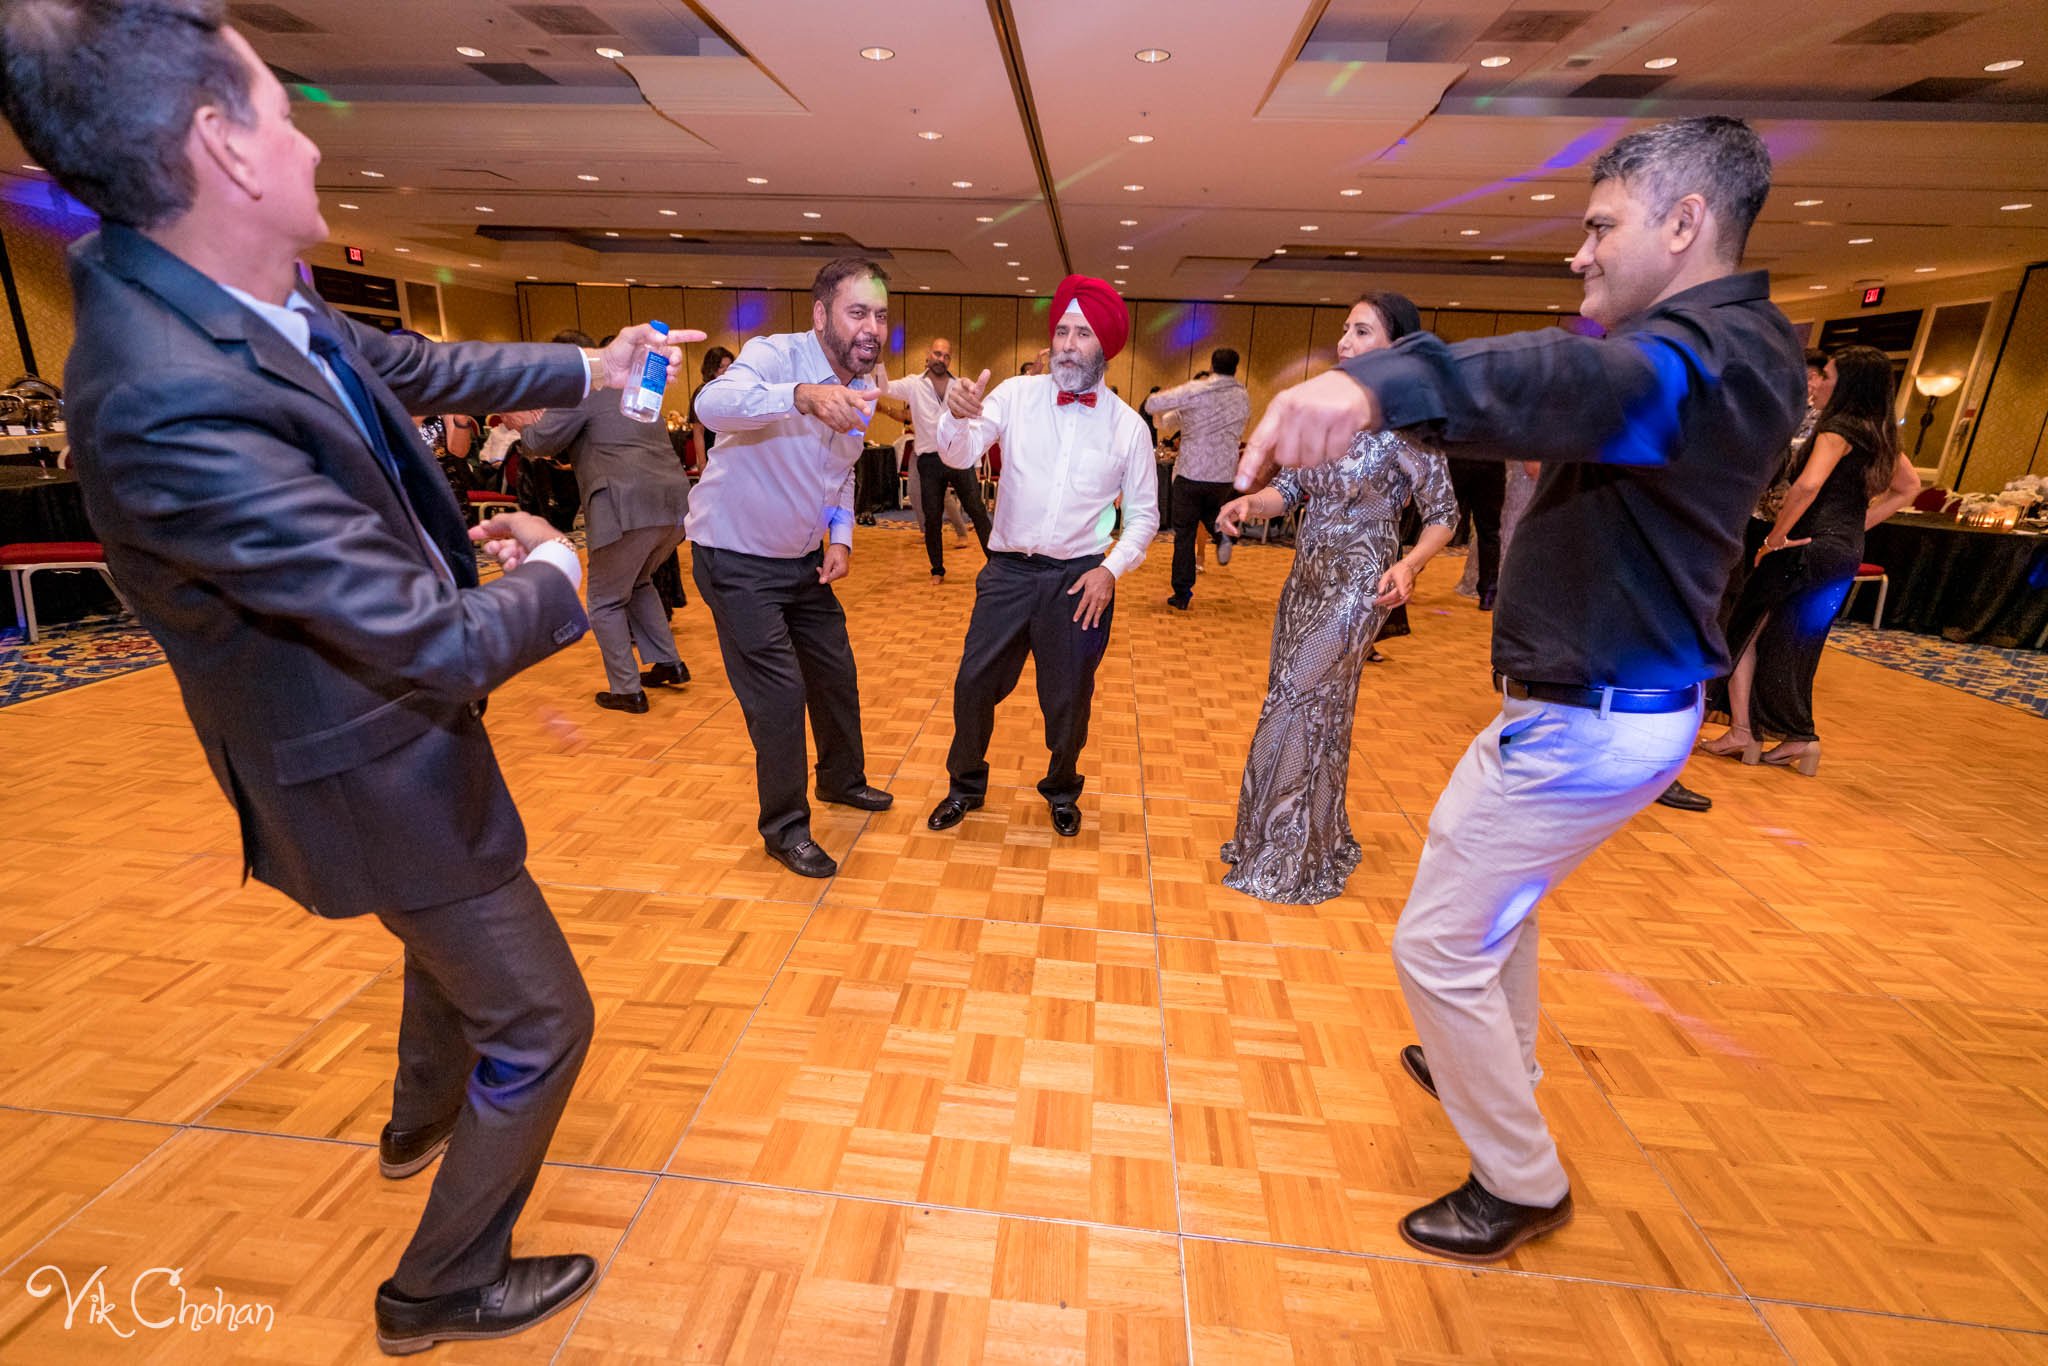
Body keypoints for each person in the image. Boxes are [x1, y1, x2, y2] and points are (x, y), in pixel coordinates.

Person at [0, 1, 697, 1350]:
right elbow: (427, 642)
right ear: (226, 148)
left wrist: (585, 362)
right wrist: (556, 573)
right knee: (545, 1019)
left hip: (391, 729)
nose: (317, 142)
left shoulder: (234, 290)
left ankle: (417, 1118)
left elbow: (411, 365)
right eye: (286, 105)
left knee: (448, 951)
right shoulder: (158, 393)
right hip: (367, 761)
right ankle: (435, 1287)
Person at [1237, 115, 1806, 1263]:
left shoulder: (1700, 355)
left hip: (1593, 720)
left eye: (1600, 226)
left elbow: (1568, 371)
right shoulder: (1738, 343)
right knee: (1489, 883)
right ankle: (1489, 1057)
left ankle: (1518, 1174)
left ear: (1683, 222)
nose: (1579, 253)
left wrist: (1373, 387)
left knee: (1435, 945)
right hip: (1586, 709)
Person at [1214, 292, 1456, 904]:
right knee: (1314, 708)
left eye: (1361, 331)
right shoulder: (1327, 419)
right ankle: (1303, 840)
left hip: (1359, 585)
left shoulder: (1408, 432)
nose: (1345, 342)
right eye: (1345, 330)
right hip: (1305, 582)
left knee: (1292, 698)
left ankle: (1285, 856)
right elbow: (1289, 491)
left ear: (1395, 349)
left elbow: (1443, 515)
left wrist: (1411, 563)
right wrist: (1250, 502)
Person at [925, 275, 1158, 839]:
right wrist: (955, 415)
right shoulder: (1014, 394)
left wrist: (1110, 569)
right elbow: (959, 451)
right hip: (1007, 572)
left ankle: (1060, 787)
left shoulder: (1128, 427)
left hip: (1080, 581)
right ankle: (965, 786)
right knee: (974, 684)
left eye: (1082, 334)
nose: (1068, 344)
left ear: (1105, 348)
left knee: (1068, 699)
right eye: (1061, 331)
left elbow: (1146, 517)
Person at [688, 257, 896, 879]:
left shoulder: (867, 378)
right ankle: (785, 828)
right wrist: (801, 397)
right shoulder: (776, 356)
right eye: (857, 312)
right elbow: (711, 404)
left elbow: (841, 470)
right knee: (780, 695)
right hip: (735, 556)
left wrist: (841, 536)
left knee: (834, 673)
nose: (872, 327)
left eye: (881, 314)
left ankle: (841, 779)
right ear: (821, 314)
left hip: (804, 560)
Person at [1698, 344, 1920, 774]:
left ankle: (1746, 731)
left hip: (1804, 546)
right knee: (1796, 641)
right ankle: (1795, 734)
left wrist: (1774, 539)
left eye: (1829, 376)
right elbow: (1908, 487)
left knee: (1745, 628)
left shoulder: (1836, 429)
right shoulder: (1879, 432)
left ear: (1848, 384)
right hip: (1841, 550)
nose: (1818, 384)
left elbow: (1806, 487)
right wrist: (1855, 528)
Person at [504, 328, 694, 714]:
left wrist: (522, 423)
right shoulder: (629, 383)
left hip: (627, 505)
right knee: (637, 581)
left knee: (604, 599)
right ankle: (668, 662)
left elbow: (541, 443)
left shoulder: (581, 387)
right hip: (673, 504)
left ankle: (626, 689)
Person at [1148, 349, 1253, 609]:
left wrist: (1170, 395)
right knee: (1211, 514)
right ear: (1235, 368)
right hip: (1223, 475)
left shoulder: (1197, 390)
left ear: (1212, 365)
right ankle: (1222, 535)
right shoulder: (1243, 396)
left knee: (1184, 534)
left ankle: (1182, 594)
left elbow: (1151, 406)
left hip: (1191, 473)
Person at [883, 337, 992, 580]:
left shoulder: (960, 385)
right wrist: (878, 362)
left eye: (946, 356)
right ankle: (937, 570)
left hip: (959, 457)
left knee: (978, 511)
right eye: (937, 354)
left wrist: (974, 463)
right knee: (932, 517)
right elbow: (884, 388)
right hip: (929, 460)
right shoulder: (913, 384)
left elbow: (972, 424)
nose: (941, 359)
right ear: (928, 355)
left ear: (950, 359)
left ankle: (997, 567)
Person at [685, 344, 734, 459]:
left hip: (734, 452)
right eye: (721, 367)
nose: (726, 371)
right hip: (714, 453)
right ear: (711, 369)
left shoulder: (735, 389)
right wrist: (702, 463)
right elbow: (698, 431)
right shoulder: (703, 392)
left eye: (730, 366)